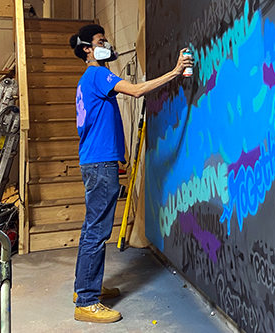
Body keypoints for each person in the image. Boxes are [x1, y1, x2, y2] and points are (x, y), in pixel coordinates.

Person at [68, 24, 193, 323]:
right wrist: (175, 72)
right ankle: (86, 300)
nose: (106, 44)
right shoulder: (98, 74)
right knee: (98, 231)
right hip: (100, 164)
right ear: (88, 49)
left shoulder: (87, 80)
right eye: (100, 41)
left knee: (92, 228)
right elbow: (136, 91)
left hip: (95, 161)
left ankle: (85, 288)